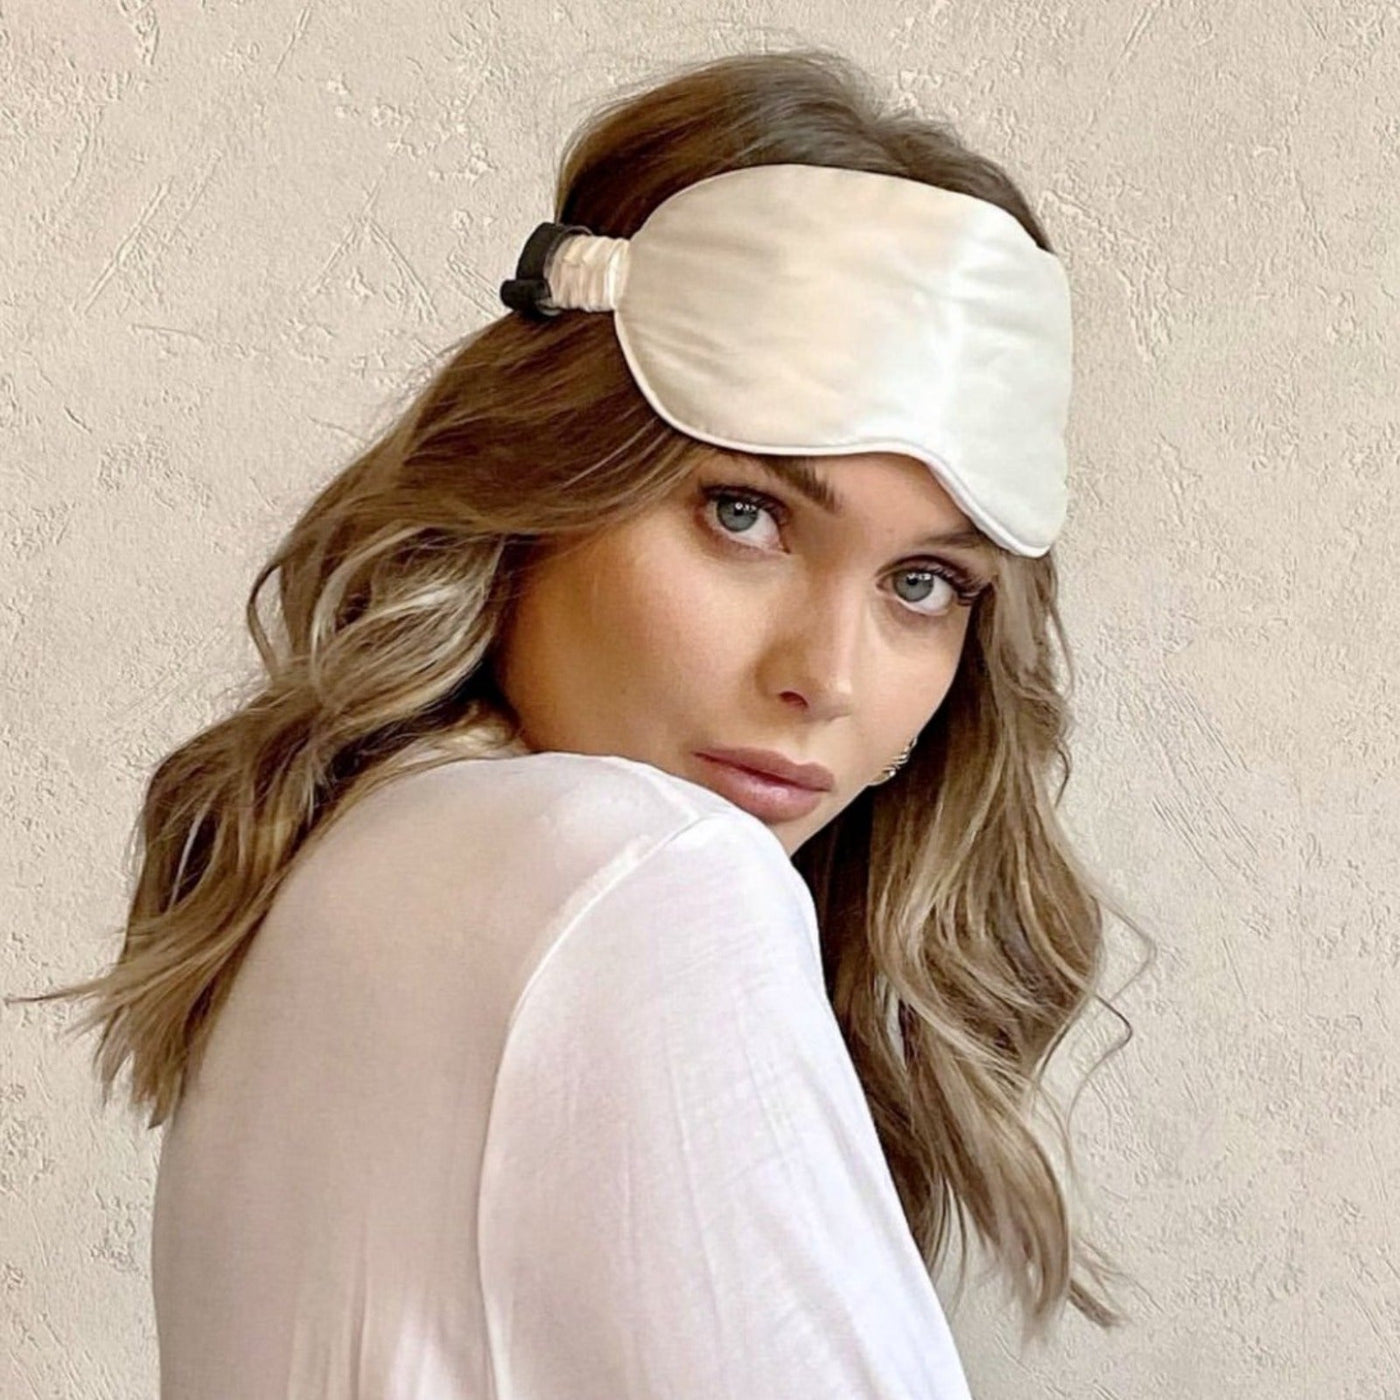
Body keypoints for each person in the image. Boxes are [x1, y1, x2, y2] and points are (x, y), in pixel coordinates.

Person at [18, 46, 1149, 1399]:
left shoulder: (351, 868)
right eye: (745, 513)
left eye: (925, 584)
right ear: (546, 474)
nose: (827, 675)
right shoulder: (647, 880)